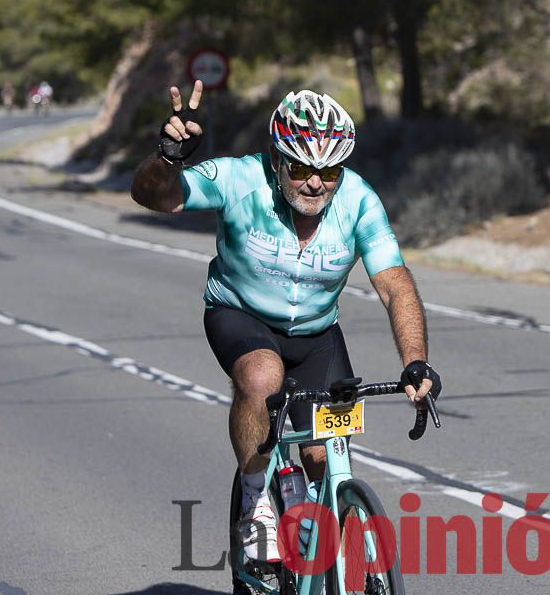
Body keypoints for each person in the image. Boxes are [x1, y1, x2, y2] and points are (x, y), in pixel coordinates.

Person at [130, 82, 441, 564]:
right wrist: (168, 160)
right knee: (261, 376)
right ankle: (255, 501)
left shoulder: (358, 200)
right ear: (276, 159)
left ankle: (326, 555)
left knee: (324, 458)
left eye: (329, 170)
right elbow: (154, 197)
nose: (315, 182)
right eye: (300, 168)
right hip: (240, 315)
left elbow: (395, 284)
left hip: (316, 335)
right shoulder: (238, 179)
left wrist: (416, 362)